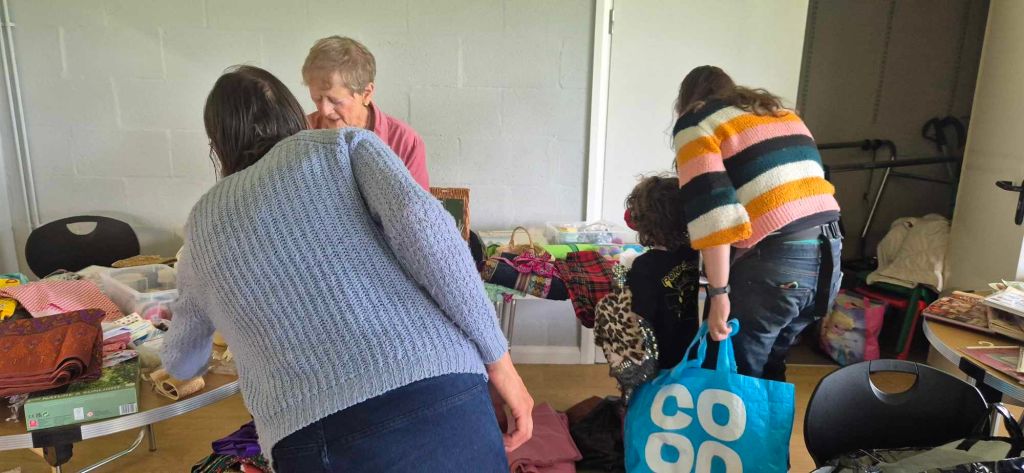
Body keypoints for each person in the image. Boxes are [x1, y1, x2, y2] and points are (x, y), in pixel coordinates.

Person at [160, 65, 532, 472]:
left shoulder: (202, 223)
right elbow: (433, 240)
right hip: (438, 381)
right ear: (292, 114)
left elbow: (182, 362)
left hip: (312, 433)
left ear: (219, 144)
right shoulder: (344, 146)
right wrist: (501, 364)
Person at [671, 65, 843, 381]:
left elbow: (714, 218)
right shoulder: (780, 115)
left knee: (735, 375)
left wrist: (718, 294)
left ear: (688, 100)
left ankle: (733, 432)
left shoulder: (696, 123)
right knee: (770, 370)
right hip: (829, 256)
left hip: (779, 261)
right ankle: (769, 431)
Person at [302, 36, 430, 190]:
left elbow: (416, 211)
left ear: (366, 93)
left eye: (335, 101)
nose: (324, 110)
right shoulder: (301, 132)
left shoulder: (405, 142)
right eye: (317, 98)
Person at [623, 175, 701, 369]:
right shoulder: (698, 255)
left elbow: (640, 318)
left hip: (661, 358)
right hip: (697, 352)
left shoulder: (645, 266)